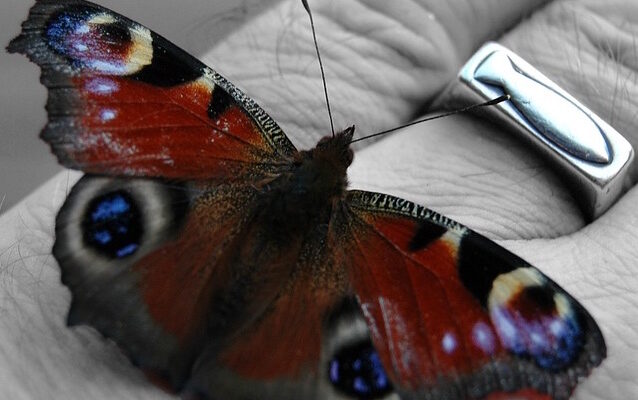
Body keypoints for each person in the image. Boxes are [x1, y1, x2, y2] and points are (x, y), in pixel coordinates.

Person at [1, 0, 635, 398]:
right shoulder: (402, 238)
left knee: (143, 205)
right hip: (300, 335)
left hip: (174, 243)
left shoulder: (232, 133)